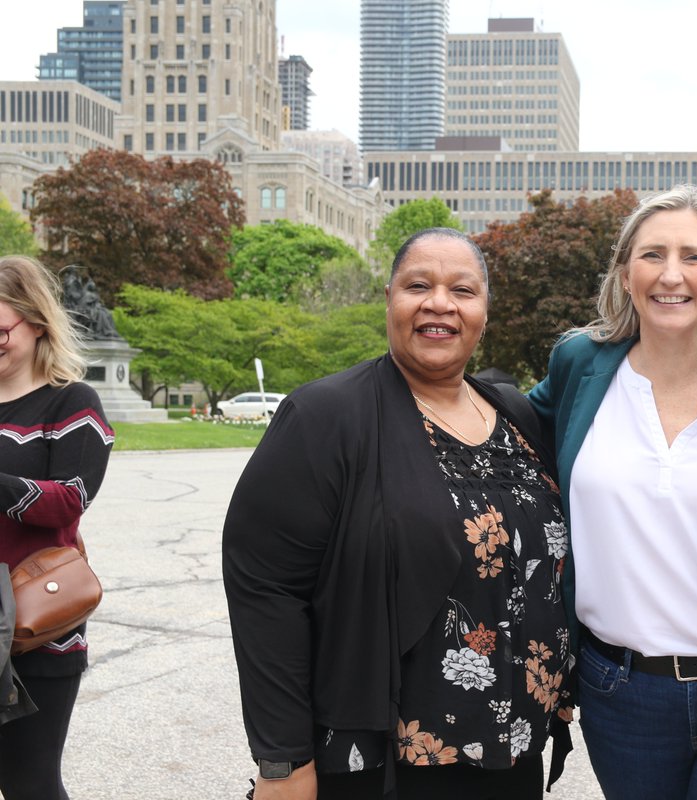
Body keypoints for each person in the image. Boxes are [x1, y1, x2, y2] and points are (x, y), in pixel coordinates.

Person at [223, 228, 571, 800]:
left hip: (511, 754)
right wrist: (283, 763)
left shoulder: (514, 414)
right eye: (418, 285)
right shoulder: (326, 415)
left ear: (484, 310)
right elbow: (265, 589)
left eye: (463, 290)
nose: (440, 303)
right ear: (389, 298)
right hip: (383, 763)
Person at [529, 185, 697, 799]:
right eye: (652, 255)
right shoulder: (580, 365)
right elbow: (496, 432)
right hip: (619, 690)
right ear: (625, 271)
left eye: (693, 256)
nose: (671, 275)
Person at [0, 256, 114, 799]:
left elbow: (70, 500)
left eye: (1, 329)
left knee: (29, 783)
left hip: (34, 625)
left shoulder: (72, 402)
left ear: (37, 322)